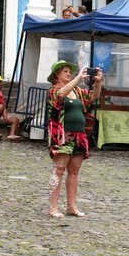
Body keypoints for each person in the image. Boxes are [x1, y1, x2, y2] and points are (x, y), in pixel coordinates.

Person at [46, 61, 103, 218]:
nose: (69, 74)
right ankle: (53, 207)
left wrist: (98, 82)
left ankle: (71, 206)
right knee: (59, 169)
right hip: (62, 135)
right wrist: (78, 77)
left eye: (70, 72)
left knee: (74, 171)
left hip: (79, 135)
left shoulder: (77, 91)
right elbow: (60, 96)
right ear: (57, 74)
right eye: (65, 71)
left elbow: (93, 96)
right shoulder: (54, 90)